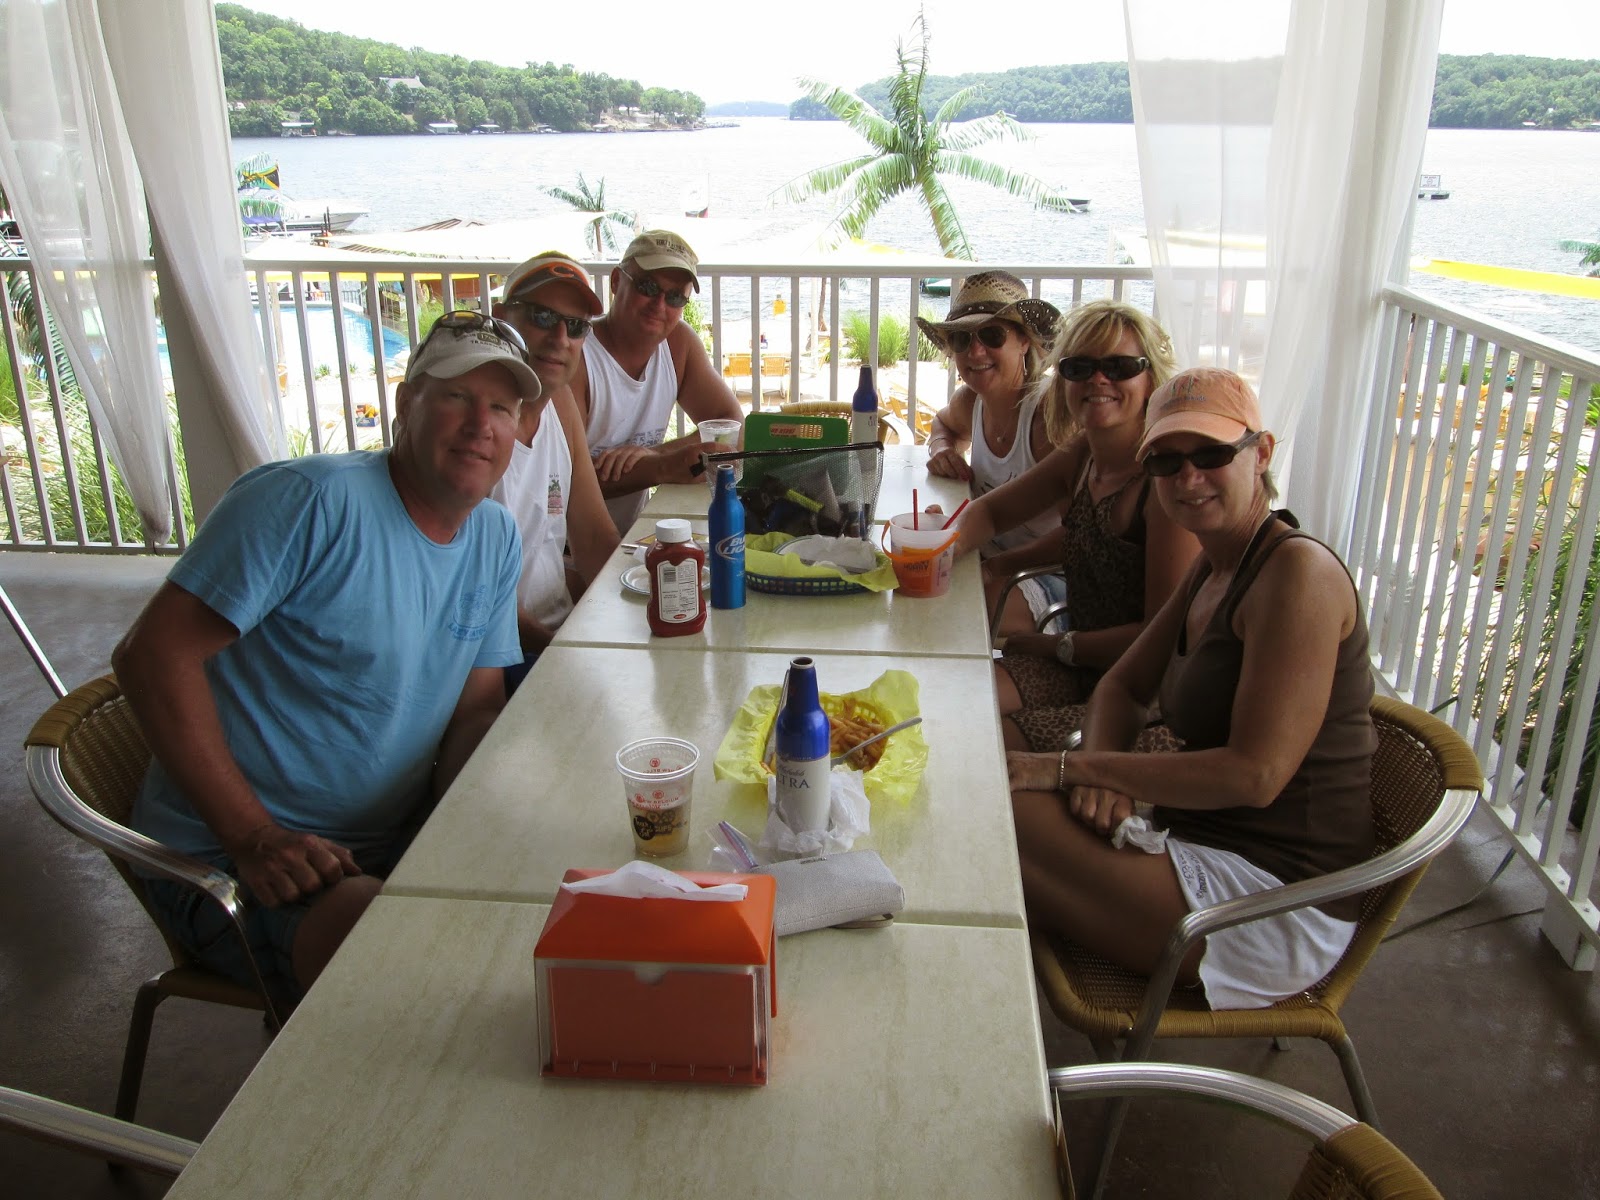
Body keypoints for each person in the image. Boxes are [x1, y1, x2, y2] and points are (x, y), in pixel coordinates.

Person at [113, 312, 533, 1002]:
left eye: (501, 407)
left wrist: (480, 816)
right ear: (406, 403)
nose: (479, 424)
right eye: (457, 395)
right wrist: (252, 836)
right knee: (394, 956)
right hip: (228, 859)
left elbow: (477, 707)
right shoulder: (307, 502)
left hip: (388, 838)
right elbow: (149, 658)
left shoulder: (492, 537)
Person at [1006, 367, 1377, 1009]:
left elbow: (1254, 775)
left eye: (1211, 455)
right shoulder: (1216, 561)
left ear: (1259, 454)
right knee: (994, 815)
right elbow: (1123, 685)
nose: (1188, 478)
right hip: (1201, 840)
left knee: (993, 811)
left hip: (1276, 903)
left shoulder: (1298, 574)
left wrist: (1068, 769)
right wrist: (1098, 776)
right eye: (1167, 462)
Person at [949, 301, 1198, 750]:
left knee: (978, 745)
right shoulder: (1084, 454)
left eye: (1119, 366)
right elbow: (989, 512)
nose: (1097, 380)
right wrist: (943, 554)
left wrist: (1056, 646)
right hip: (1079, 669)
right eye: (1079, 366)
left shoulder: (1162, 483)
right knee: (952, 703)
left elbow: (1158, 639)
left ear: (1150, 378)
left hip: (1147, 700)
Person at [490, 251, 620, 687]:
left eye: (577, 325)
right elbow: (473, 590)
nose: (560, 337)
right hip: (500, 651)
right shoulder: (479, 427)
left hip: (562, 629)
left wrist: (639, 611)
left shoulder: (559, 402)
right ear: (500, 317)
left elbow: (594, 537)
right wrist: (562, 651)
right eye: (542, 317)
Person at [569, 229, 744, 531]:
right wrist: (664, 467)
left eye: (675, 296)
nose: (659, 304)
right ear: (615, 281)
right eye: (647, 287)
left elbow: (731, 429)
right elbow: (566, 480)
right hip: (567, 551)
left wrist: (655, 454)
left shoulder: (678, 344)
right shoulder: (578, 356)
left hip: (629, 535)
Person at [917, 272, 1063, 570]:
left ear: (1025, 341)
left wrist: (996, 569)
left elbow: (1077, 533)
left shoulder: (1048, 415)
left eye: (992, 335)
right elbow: (942, 424)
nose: (975, 351)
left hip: (1040, 571)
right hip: (980, 556)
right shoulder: (970, 401)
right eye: (962, 338)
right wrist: (942, 449)